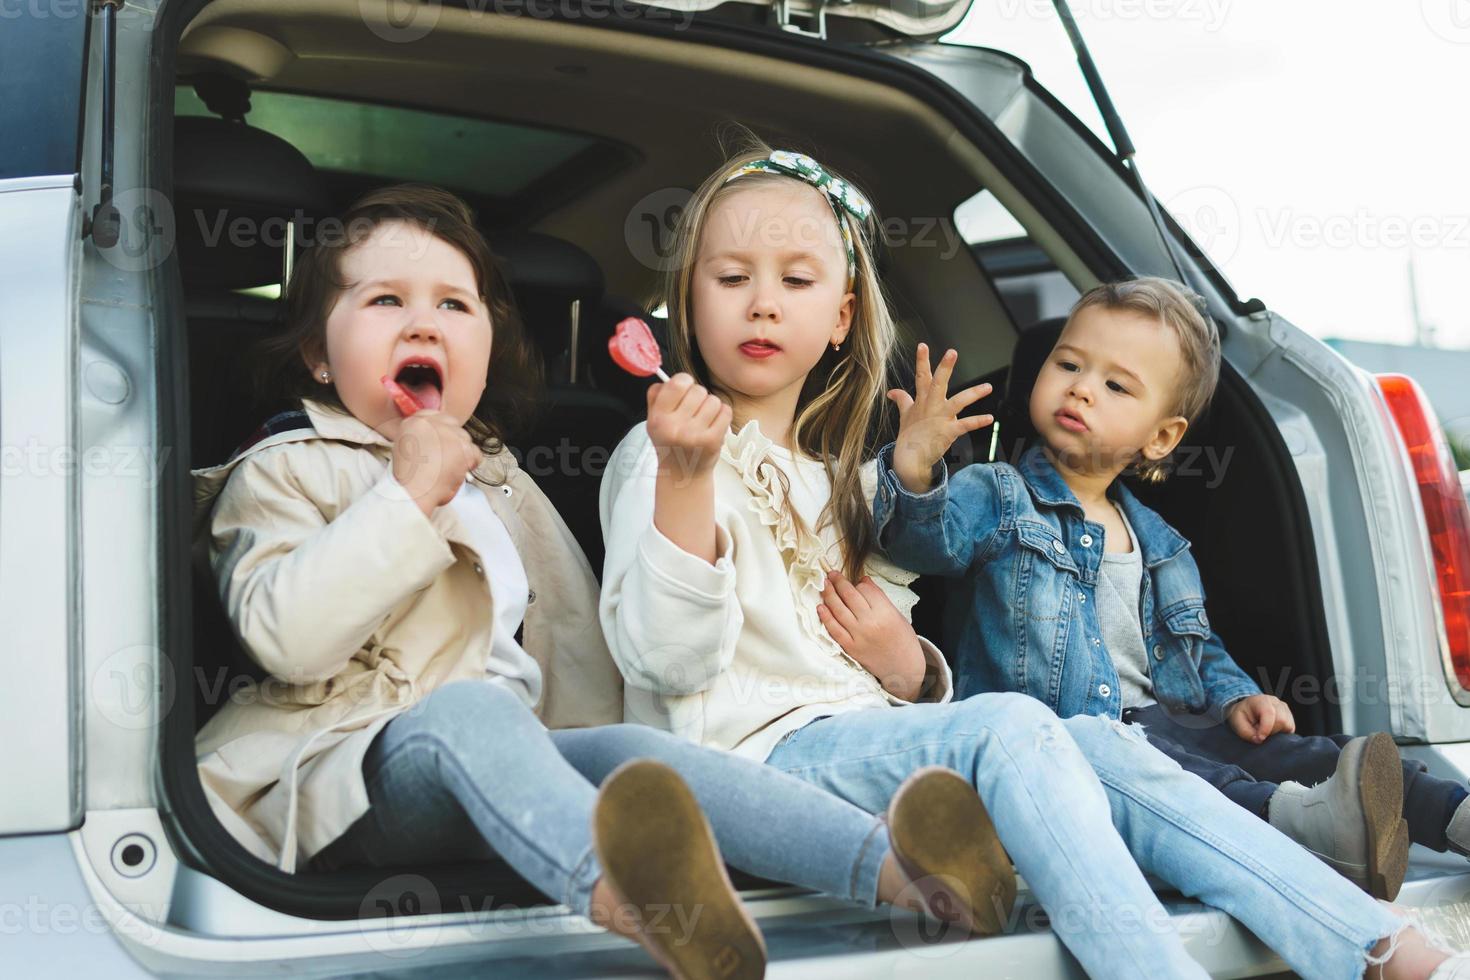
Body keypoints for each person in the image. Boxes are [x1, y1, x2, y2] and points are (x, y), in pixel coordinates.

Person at [599, 143, 1465, 979]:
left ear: (841, 319)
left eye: (796, 280)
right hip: (751, 766)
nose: (761, 304)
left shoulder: (841, 487)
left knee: (1093, 738)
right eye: (731, 277)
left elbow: (891, 664)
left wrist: (911, 671)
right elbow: (665, 661)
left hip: (867, 743)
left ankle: (1374, 948)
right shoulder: (662, 453)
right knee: (1014, 724)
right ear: (689, 297)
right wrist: (685, 477)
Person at [191, 183, 1014, 980]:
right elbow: (287, 639)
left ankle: (907, 880)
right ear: (318, 358)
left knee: (638, 753)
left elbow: (582, 654)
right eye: (384, 303)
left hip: (515, 769)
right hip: (341, 775)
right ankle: (637, 898)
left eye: (454, 305)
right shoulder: (283, 469)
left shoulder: (500, 482)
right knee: (468, 714)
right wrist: (405, 500)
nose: (424, 324)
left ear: (483, 353)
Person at [875, 276, 1470, 904]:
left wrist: (1239, 694)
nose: (1081, 387)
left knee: (1317, 752)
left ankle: (1449, 814)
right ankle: (1310, 830)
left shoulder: (1162, 542)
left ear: (1160, 437)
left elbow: (1197, 645)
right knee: (1191, 780)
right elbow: (921, 543)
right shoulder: (997, 495)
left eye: (1115, 385)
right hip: (1076, 745)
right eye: (1069, 363)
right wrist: (915, 466)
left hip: (1180, 721)